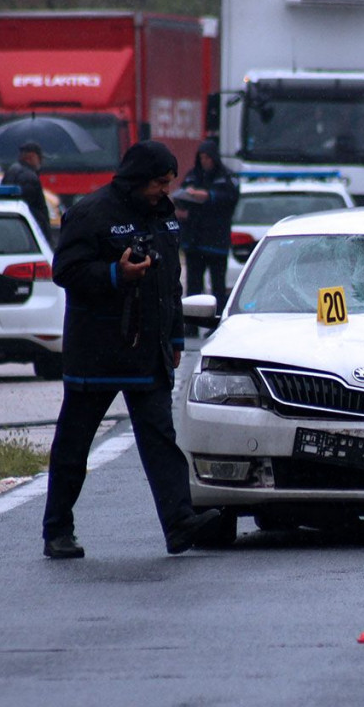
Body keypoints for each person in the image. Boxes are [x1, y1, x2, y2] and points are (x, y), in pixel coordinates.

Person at [41, 140, 221, 559]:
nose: (165, 190)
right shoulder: (90, 212)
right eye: (160, 182)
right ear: (137, 178)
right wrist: (114, 273)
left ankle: (180, 525)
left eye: (169, 183)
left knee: (161, 440)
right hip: (96, 354)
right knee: (74, 444)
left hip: (148, 353)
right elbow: (64, 271)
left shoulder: (164, 216)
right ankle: (57, 531)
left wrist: (176, 338)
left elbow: (171, 283)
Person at [176, 139, 239, 324]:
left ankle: (216, 321)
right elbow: (180, 197)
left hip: (216, 241)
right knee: (194, 286)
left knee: (218, 286)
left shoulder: (226, 177)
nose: (204, 161)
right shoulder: (192, 176)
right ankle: (191, 324)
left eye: (207, 158)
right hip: (194, 241)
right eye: (201, 158)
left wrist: (208, 196)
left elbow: (230, 198)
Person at [1, 141, 52, 240]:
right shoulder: (29, 178)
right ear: (32, 157)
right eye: (40, 158)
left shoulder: (12, 170)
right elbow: (33, 209)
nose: (41, 162)